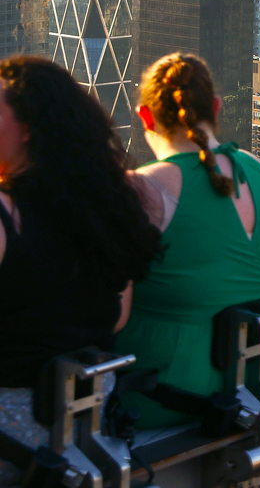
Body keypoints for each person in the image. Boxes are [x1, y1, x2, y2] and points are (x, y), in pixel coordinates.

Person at [0, 58, 160, 481]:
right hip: (88, 441)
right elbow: (118, 315)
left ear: (29, 128)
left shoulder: (6, 216)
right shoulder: (112, 209)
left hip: (12, 445)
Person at [118, 54, 260, 428]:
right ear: (216, 107)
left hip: (150, 406)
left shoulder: (141, 190)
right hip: (252, 394)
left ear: (145, 117)